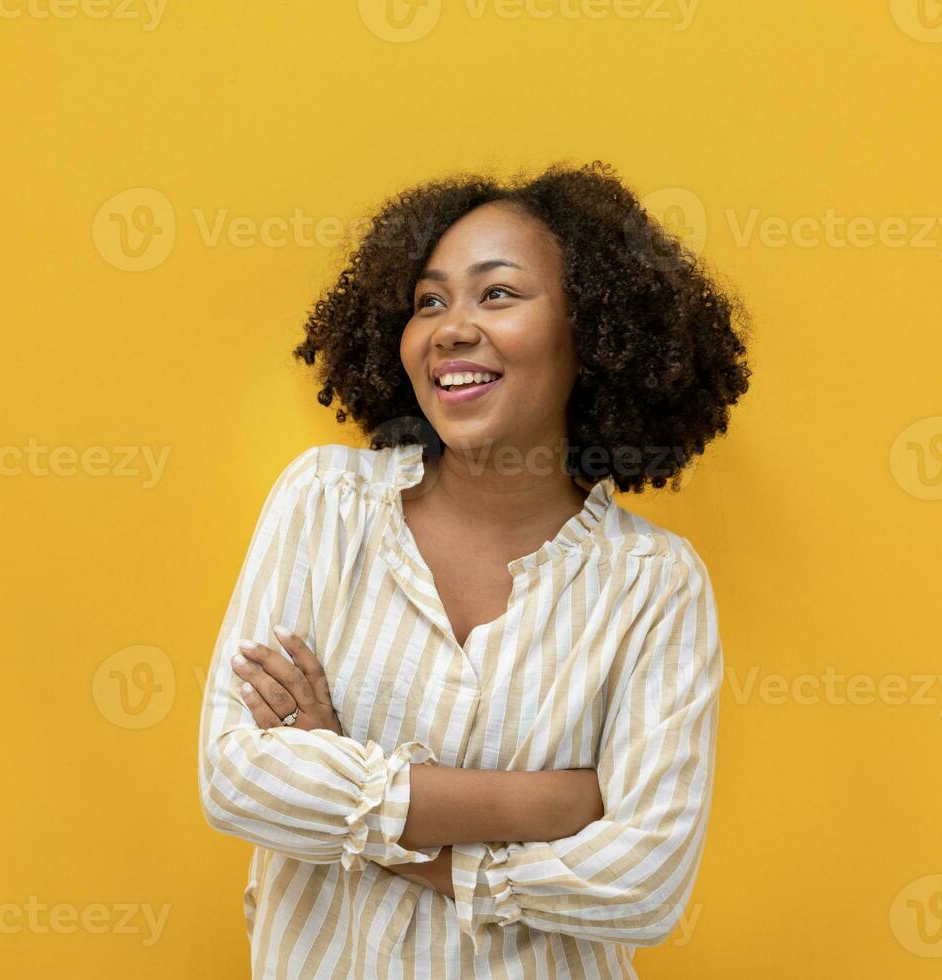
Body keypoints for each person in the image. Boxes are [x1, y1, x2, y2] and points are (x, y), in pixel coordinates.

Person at [197, 161, 751, 978]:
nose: (451, 328)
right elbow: (236, 777)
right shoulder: (325, 504)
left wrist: (344, 776)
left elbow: (645, 885)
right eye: (430, 300)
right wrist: (547, 804)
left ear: (591, 333)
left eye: (497, 294)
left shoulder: (653, 583)